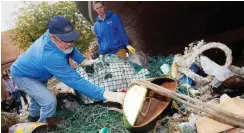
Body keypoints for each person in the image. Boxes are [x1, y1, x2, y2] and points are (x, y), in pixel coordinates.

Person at [10, 16, 125, 122]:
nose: (70, 43)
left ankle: (32, 118)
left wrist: (83, 60)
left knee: (37, 98)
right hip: (23, 75)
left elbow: (71, 49)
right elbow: (76, 81)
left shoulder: (55, 33)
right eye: (66, 40)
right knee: (48, 101)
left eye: (71, 38)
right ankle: (43, 127)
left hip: (38, 71)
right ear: (53, 37)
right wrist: (111, 95)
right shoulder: (49, 56)